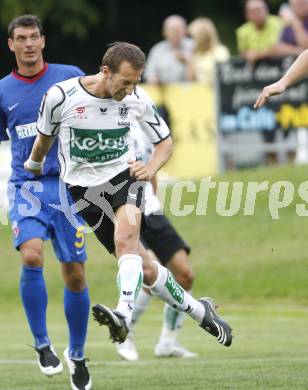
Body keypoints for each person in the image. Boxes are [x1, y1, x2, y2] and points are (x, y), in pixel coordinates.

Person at [25, 42, 233, 356]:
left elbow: (165, 143)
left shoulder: (136, 99)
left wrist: (148, 168)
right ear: (105, 71)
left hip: (127, 178)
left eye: (136, 81)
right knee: (146, 267)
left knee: (126, 242)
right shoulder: (61, 97)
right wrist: (34, 166)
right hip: (82, 191)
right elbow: (44, 141)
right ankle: (200, 312)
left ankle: (122, 312)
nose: (131, 89)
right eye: (125, 82)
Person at [0, 15, 91, 390]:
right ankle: (42, 344)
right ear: (11, 45)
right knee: (32, 255)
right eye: (21, 38)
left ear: (43, 41)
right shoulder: (3, 90)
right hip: (26, 186)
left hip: (69, 188)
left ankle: (79, 355)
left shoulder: (70, 76)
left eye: (34, 37)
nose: (28, 44)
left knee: (75, 273)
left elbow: (97, 110)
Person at [117, 119, 196, 361]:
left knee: (184, 276)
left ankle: (167, 342)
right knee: (148, 275)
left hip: (151, 210)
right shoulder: (107, 125)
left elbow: (150, 165)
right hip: (126, 209)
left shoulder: (143, 122)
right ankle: (124, 333)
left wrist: (154, 197)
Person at [143, 14, 194, 84]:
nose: (176, 32)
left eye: (179, 29)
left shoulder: (194, 46)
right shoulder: (157, 49)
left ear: (185, 30)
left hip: (191, 93)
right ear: (164, 32)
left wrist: (188, 63)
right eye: (172, 29)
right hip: (164, 93)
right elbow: (149, 75)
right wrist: (154, 80)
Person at [187, 17, 230, 85]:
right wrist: (190, 60)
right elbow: (190, 81)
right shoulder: (196, 54)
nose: (192, 41)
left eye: (194, 37)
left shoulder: (220, 52)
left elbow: (223, 77)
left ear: (202, 36)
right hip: (200, 93)